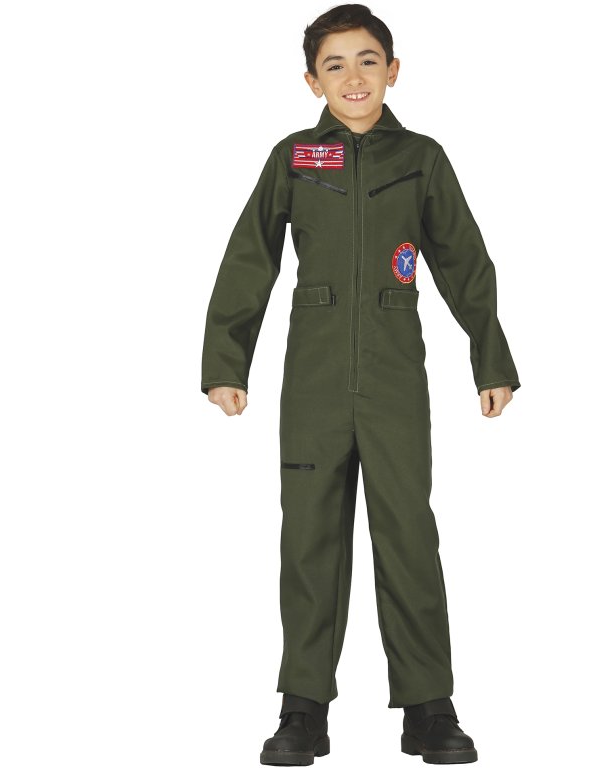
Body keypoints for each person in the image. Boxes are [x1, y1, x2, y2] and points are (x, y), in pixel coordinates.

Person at [201, 4, 520, 764]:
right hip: (313, 372)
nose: (353, 77)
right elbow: (250, 256)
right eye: (335, 65)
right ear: (312, 80)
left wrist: (490, 356)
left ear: (393, 70)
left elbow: (464, 260)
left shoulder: (422, 158)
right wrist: (226, 362)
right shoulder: (294, 157)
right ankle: (303, 708)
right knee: (309, 534)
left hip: (393, 370)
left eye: (368, 60)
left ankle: (429, 708)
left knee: (408, 531)